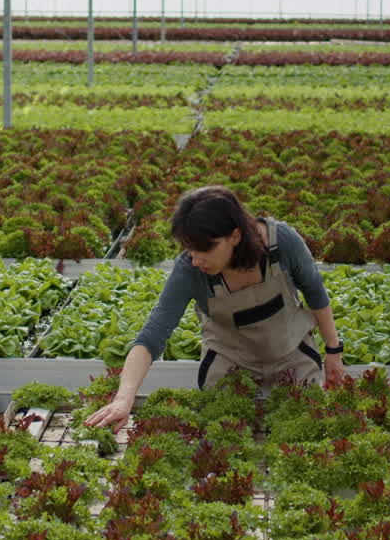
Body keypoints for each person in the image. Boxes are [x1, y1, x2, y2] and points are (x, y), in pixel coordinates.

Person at [85, 185, 344, 432]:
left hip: (291, 354)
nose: (196, 260)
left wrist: (333, 351)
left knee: (308, 423)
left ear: (235, 236)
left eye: (205, 249)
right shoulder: (191, 270)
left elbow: (315, 293)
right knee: (220, 432)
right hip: (230, 363)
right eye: (190, 249)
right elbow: (153, 335)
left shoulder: (282, 244)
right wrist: (123, 398)